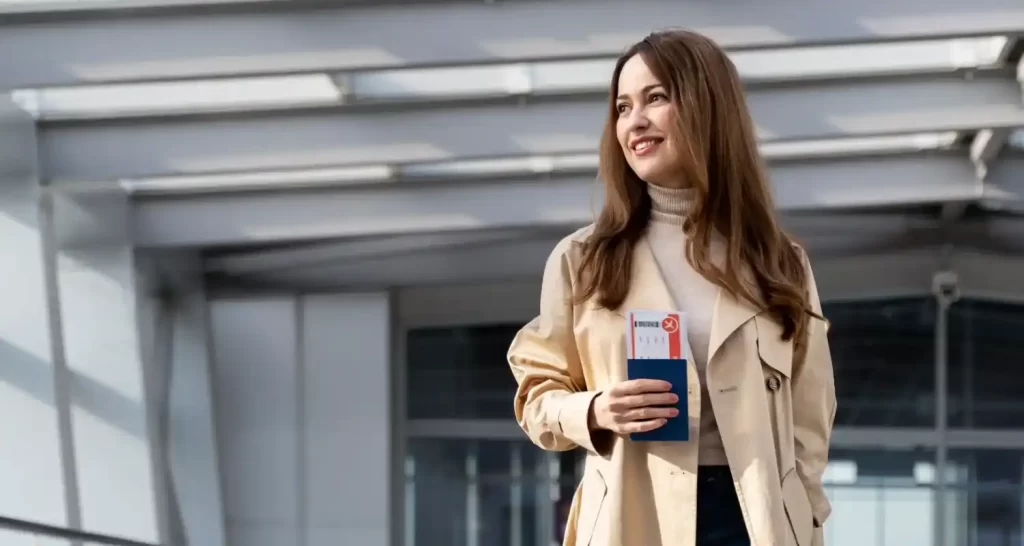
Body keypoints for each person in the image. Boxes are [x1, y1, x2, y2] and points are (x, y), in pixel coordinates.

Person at [506, 29, 836, 546]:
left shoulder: (779, 262)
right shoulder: (583, 260)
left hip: (757, 523)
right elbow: (535, 396)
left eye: (655, 98)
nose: (633, 122)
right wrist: (594, 410)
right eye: (621, 106)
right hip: (633, 520)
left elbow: (811, 414)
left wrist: (803, 508)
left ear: (708, 107)